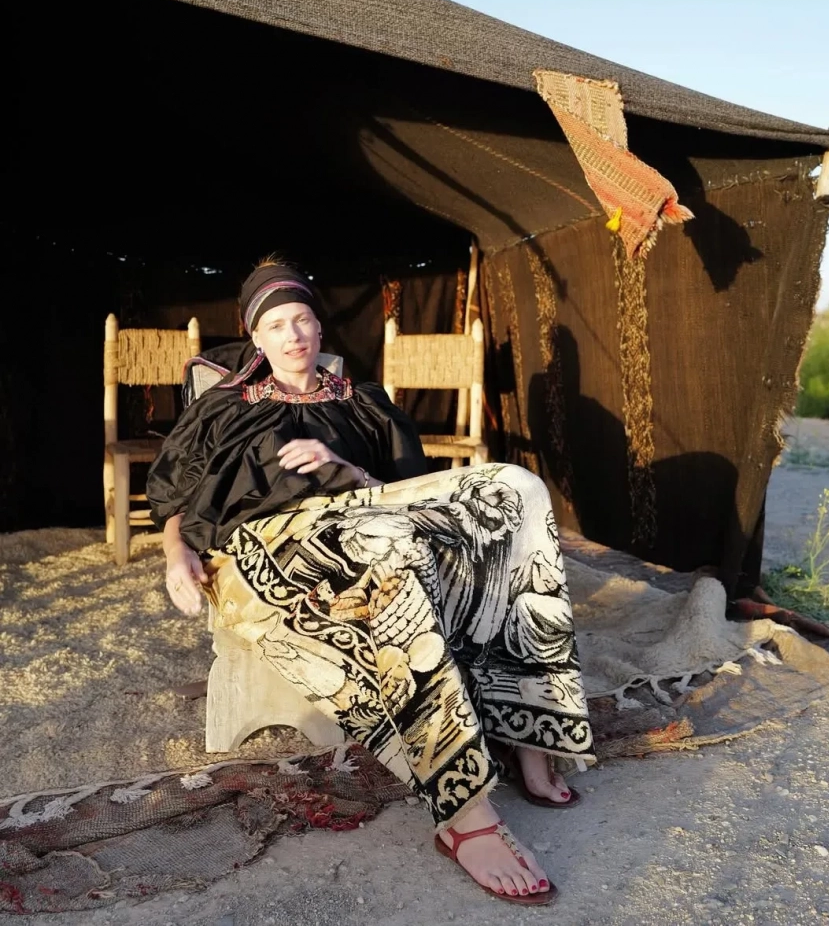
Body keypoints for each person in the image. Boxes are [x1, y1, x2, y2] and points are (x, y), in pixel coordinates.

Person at [147, 258, 595, 905]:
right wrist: (174, 555)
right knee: (389, 554)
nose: (293, 334)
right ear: (256, 336)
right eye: (276, 324)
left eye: (302, 318)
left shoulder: (365, 403)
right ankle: (464, 812)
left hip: (366, 511)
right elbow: (176, 501)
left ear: (320, 327)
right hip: (269, 545)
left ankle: (529, 723)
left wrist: (342, 467)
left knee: (517, 486)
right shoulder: (225, 406)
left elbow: (408, 494)